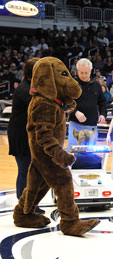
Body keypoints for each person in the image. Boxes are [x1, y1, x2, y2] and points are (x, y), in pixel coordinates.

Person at [7, 58, 45, 214]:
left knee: (33, 170)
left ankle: (31, 203)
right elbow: (38, 106)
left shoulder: (33, 87)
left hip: (28, 134)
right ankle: (23, 205)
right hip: (20, 134)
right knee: (25, 170)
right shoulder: (24, 89)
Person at [67, 58, 107, 150]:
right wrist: (76, 112)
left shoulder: (96, 85)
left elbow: (102, 102)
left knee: (89, 153)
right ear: (77, 71)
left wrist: (102, 114)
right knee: (73, 151)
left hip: (92, 125)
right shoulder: (72, 84)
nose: (84, 75)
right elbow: (67, 103)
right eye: (81, 73)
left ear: (91, 71)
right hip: (75, 124)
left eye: (86, 72)